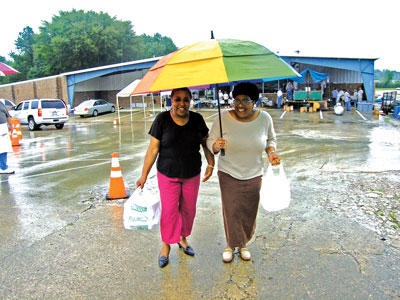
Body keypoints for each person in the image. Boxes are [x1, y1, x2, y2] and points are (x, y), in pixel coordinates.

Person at [136, 87, 215, 268]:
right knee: (170, 210)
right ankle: (166, 245)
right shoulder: (162, 119)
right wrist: (144, 175)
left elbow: (205, 143)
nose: (182, 103)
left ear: (190, 101)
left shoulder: (197, 119)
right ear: (171, 100)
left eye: (185, 99)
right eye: (177, 99)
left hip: (191, 173)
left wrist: (211, 163)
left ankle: (182, 238)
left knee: (188, 210)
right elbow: (153, 149)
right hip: (167, 173)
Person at [207, 82, 281, 263]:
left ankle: (243, 244)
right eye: (236, 100)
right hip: (228, 171)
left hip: (254, 171)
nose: (239, 105)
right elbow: (210, 142)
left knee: (249, 210)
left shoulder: (265, 118)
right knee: (231, 210)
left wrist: (271, 153)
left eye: (245, 100)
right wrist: (217, 145)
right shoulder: (223, 118)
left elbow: (271, 139)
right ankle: (231, 246)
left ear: (254, 101)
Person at [0, 99, 14, 174]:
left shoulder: (1, 103)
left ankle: (3, 167)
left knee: (3, 148)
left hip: (3, 128)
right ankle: (3, 167)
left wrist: (11, 126)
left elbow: (7, 115)